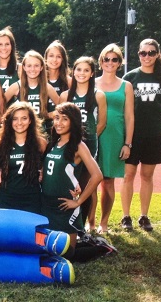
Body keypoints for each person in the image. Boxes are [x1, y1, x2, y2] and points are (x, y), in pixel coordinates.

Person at [121, 39, 161, 231]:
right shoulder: (130, 76)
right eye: (143, 53)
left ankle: (144, 216)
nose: (147, 56)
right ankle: (126, 216)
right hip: (133, 135)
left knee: (147, 175)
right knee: (128, 175)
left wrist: (157, 122)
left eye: (151, 52)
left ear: (157, 54)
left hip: (155, 135)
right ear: (138, 54)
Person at [41, 102, 103, 250]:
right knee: (49, 249)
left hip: (65, 206)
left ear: (73, 121)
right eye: (56, 118)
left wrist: (78, 201)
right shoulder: (54, 142)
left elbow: (97, 175)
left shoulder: (78, 145)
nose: (59, 123)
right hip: (46, 204)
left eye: (64, 119)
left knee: (68, 252)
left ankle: (98, 248)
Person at [59, 57, 107, 231]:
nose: (82, 73)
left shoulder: (98, 95)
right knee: (70, 183)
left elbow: (101, 123)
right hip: (69, 144)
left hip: (89, 144)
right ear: (73, 71)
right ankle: (69, 221)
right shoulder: (65, 95)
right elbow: (60, 120)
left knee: (87, 185)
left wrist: (89, 139)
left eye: (86, 70)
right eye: (78, 69)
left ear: (92, 73)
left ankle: (89, 223)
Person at [95, 44, 134, 233]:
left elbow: (129, 117)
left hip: (115, 136)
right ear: (101, 61)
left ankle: (104, 223)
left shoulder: (126, 86)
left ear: (120, 63)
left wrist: (128, 143)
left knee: (108, 180)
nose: (110, 62)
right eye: (106, 59)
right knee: (90, 181)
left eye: (115, 59)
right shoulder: (91, 82)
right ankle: (90, 223)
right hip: (94, 135)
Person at [0, 102, 47, 213]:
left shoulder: (40, 143)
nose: (19, 123)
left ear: (30, 120)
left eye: (24, 118)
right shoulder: (1, 144)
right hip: (7, 197)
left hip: (31, 198)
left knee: (30, 230)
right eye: (15, 119)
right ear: (10, 121)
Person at [4, 50, 60, 126]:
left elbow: (62, 108)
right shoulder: (16, 86)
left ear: (41, 67)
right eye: (29, 66)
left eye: (36, 65)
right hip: (22, 129)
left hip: (41, 131)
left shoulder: (47, 87)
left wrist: (47, 115)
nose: (32, 69)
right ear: (24, 67)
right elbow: (0, 106)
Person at [44, 40, 72, 133]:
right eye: (51, 56)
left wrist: (51, 115)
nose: (54, 60)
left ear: (63, 59)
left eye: (58, 56)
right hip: (42, 127)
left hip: (62, 128)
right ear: (45, 58)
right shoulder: (39, 80)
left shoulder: (69, 81)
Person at [0, 26, 20, 93]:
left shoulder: (20, 68)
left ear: (12, 46)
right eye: (0, 44)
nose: (4, 48)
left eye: (7, 44)